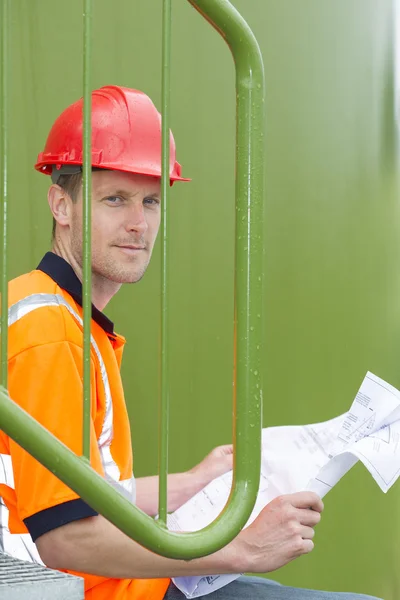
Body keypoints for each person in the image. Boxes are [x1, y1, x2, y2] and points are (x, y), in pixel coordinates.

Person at [0, 85, 381, 600]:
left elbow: (84, 495)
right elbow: (66, 538)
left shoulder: (67, 317)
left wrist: (194, 479)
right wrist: (241, 548)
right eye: (116, 199)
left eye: (152, 201)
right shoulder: (49, 331)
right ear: (60, 205)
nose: (139, 224)